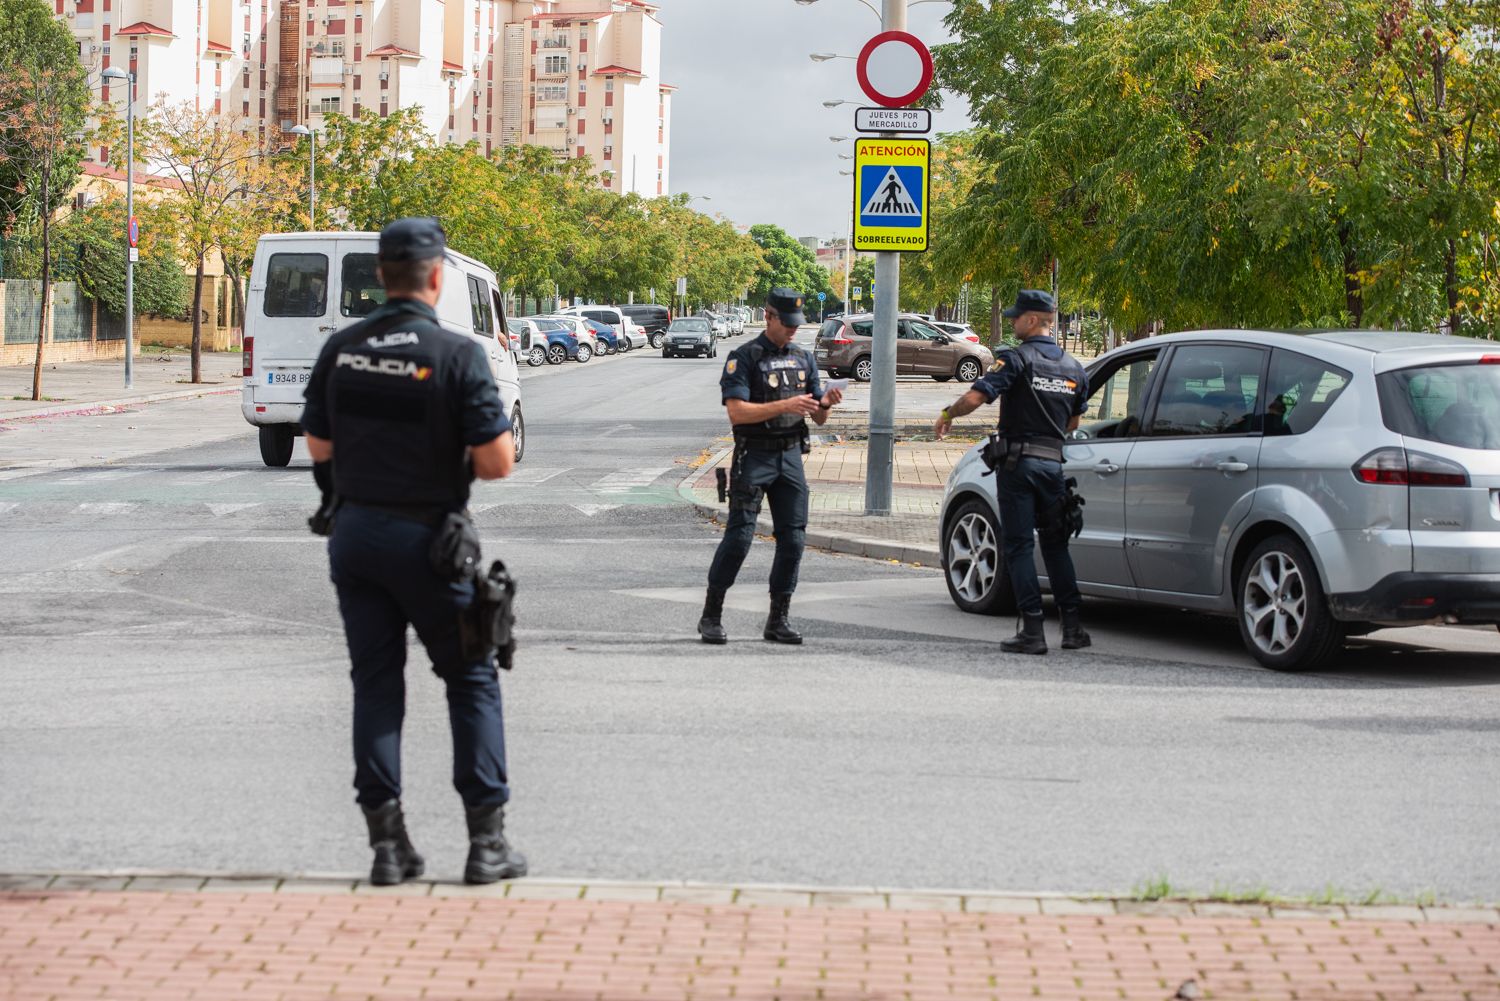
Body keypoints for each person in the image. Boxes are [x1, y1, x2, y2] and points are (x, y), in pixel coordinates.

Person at [301, 217, 527, 886]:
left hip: (357, 537)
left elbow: (317, 446)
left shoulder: (342, 348)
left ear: (381, 275)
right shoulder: (457, 354)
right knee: (471, 677)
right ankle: (487, 845)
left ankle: (387, 847)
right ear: (436, 276)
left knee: (375, 683)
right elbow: (497, 463)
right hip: (431, 541)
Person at [933, 289, 1090, 655]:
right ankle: (1072, 629)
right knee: (1055, 546)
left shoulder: (1015, 361)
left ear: (1033, 320)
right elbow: (1074, 421)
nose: (1012, 322)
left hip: (1018, 465)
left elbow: (976, 397)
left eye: (1017, 317)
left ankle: (1032, 631)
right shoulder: (1074, 368)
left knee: (1018, 546)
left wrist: (947, 414)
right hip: (1053, 466)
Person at [698, 288, 843, 645]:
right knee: (740, 537)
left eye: (797, 323)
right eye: (787, 323)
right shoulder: (745, 357)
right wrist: (785, 406)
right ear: (768, 316)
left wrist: (825, 403)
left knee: (794, 540)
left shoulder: (803, 358)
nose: (793, 329)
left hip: (791, 457)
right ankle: (711, 615)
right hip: (755, 456)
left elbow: (819, 418)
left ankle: (778, 619)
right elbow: (736, 412)